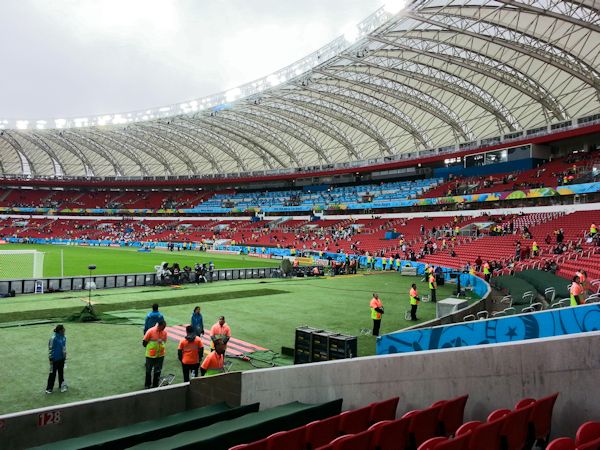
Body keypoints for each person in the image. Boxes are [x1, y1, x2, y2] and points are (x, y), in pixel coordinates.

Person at [142, 319, 167, 389]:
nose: (163, 329)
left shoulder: (164, 332)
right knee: (148, 370)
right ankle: (147, 385)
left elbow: (164, 341)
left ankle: (155, 384)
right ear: (158, 325)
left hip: (160, 355)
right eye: (162, 327)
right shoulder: (150, 331)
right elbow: (144, 342)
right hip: (150, 355)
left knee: (158, 370)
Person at [46, 324, 67, 394]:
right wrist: (51, 359)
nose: (64, 331)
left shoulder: (64, 337)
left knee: (61, 373)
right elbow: (50, 349)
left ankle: (62, 385)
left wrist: (65, 356)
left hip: (61, 358)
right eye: (63, 330)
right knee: (52, 374)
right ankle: (49, 388)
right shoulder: (53, 338)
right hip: (54, 359)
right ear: (60, 331)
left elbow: (64, 347)